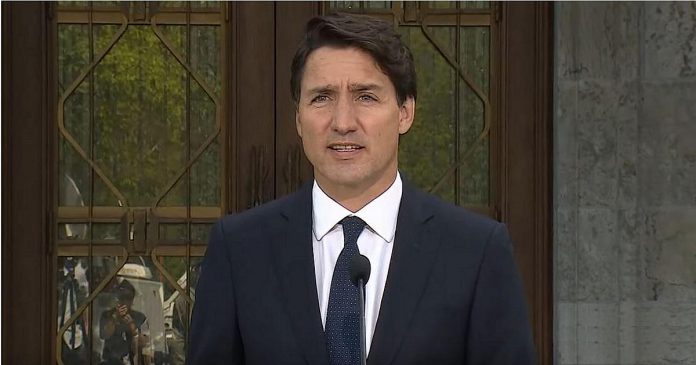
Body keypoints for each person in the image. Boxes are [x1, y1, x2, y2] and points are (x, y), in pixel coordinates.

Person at [189, 13, 536, 365]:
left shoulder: (476, 252)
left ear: (405, 112)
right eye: (321, 98)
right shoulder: (239, 250)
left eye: (366, 97)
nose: (342, 123)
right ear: (298, 118)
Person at [99, 279, 153, 365]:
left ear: (132, 301)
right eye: (121, 298)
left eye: (128, 298)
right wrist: (114, 318)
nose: (124, 302)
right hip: (110, 361)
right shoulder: (107, 315)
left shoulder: (140, 318)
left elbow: (145, 344)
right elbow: (104, 335)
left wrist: (132, 327)